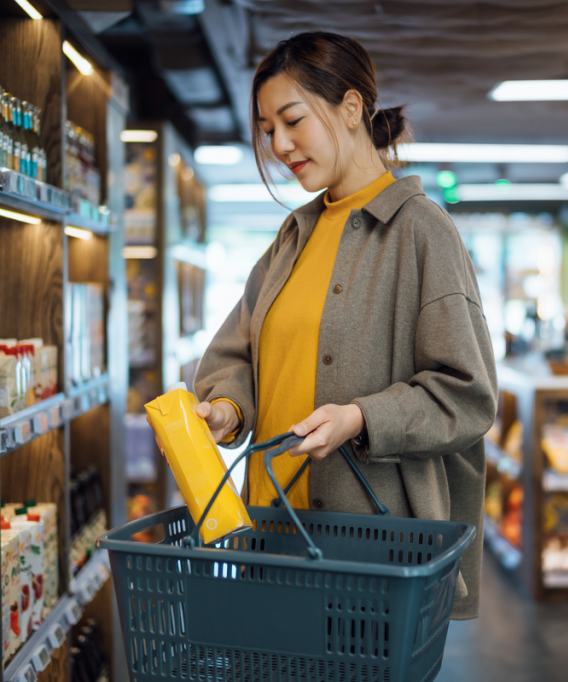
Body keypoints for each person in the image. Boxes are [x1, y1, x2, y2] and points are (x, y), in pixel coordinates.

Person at [192, 30, 497, 620]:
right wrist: (226, 409)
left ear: (352, 108)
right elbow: (240, 356)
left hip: (369, 547)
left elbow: (468, 396)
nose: (279, 143)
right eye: (266, 128)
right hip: (273, 531)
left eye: (292, 120)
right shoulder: (292, 238)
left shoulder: (420, 231)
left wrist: (360, 418)